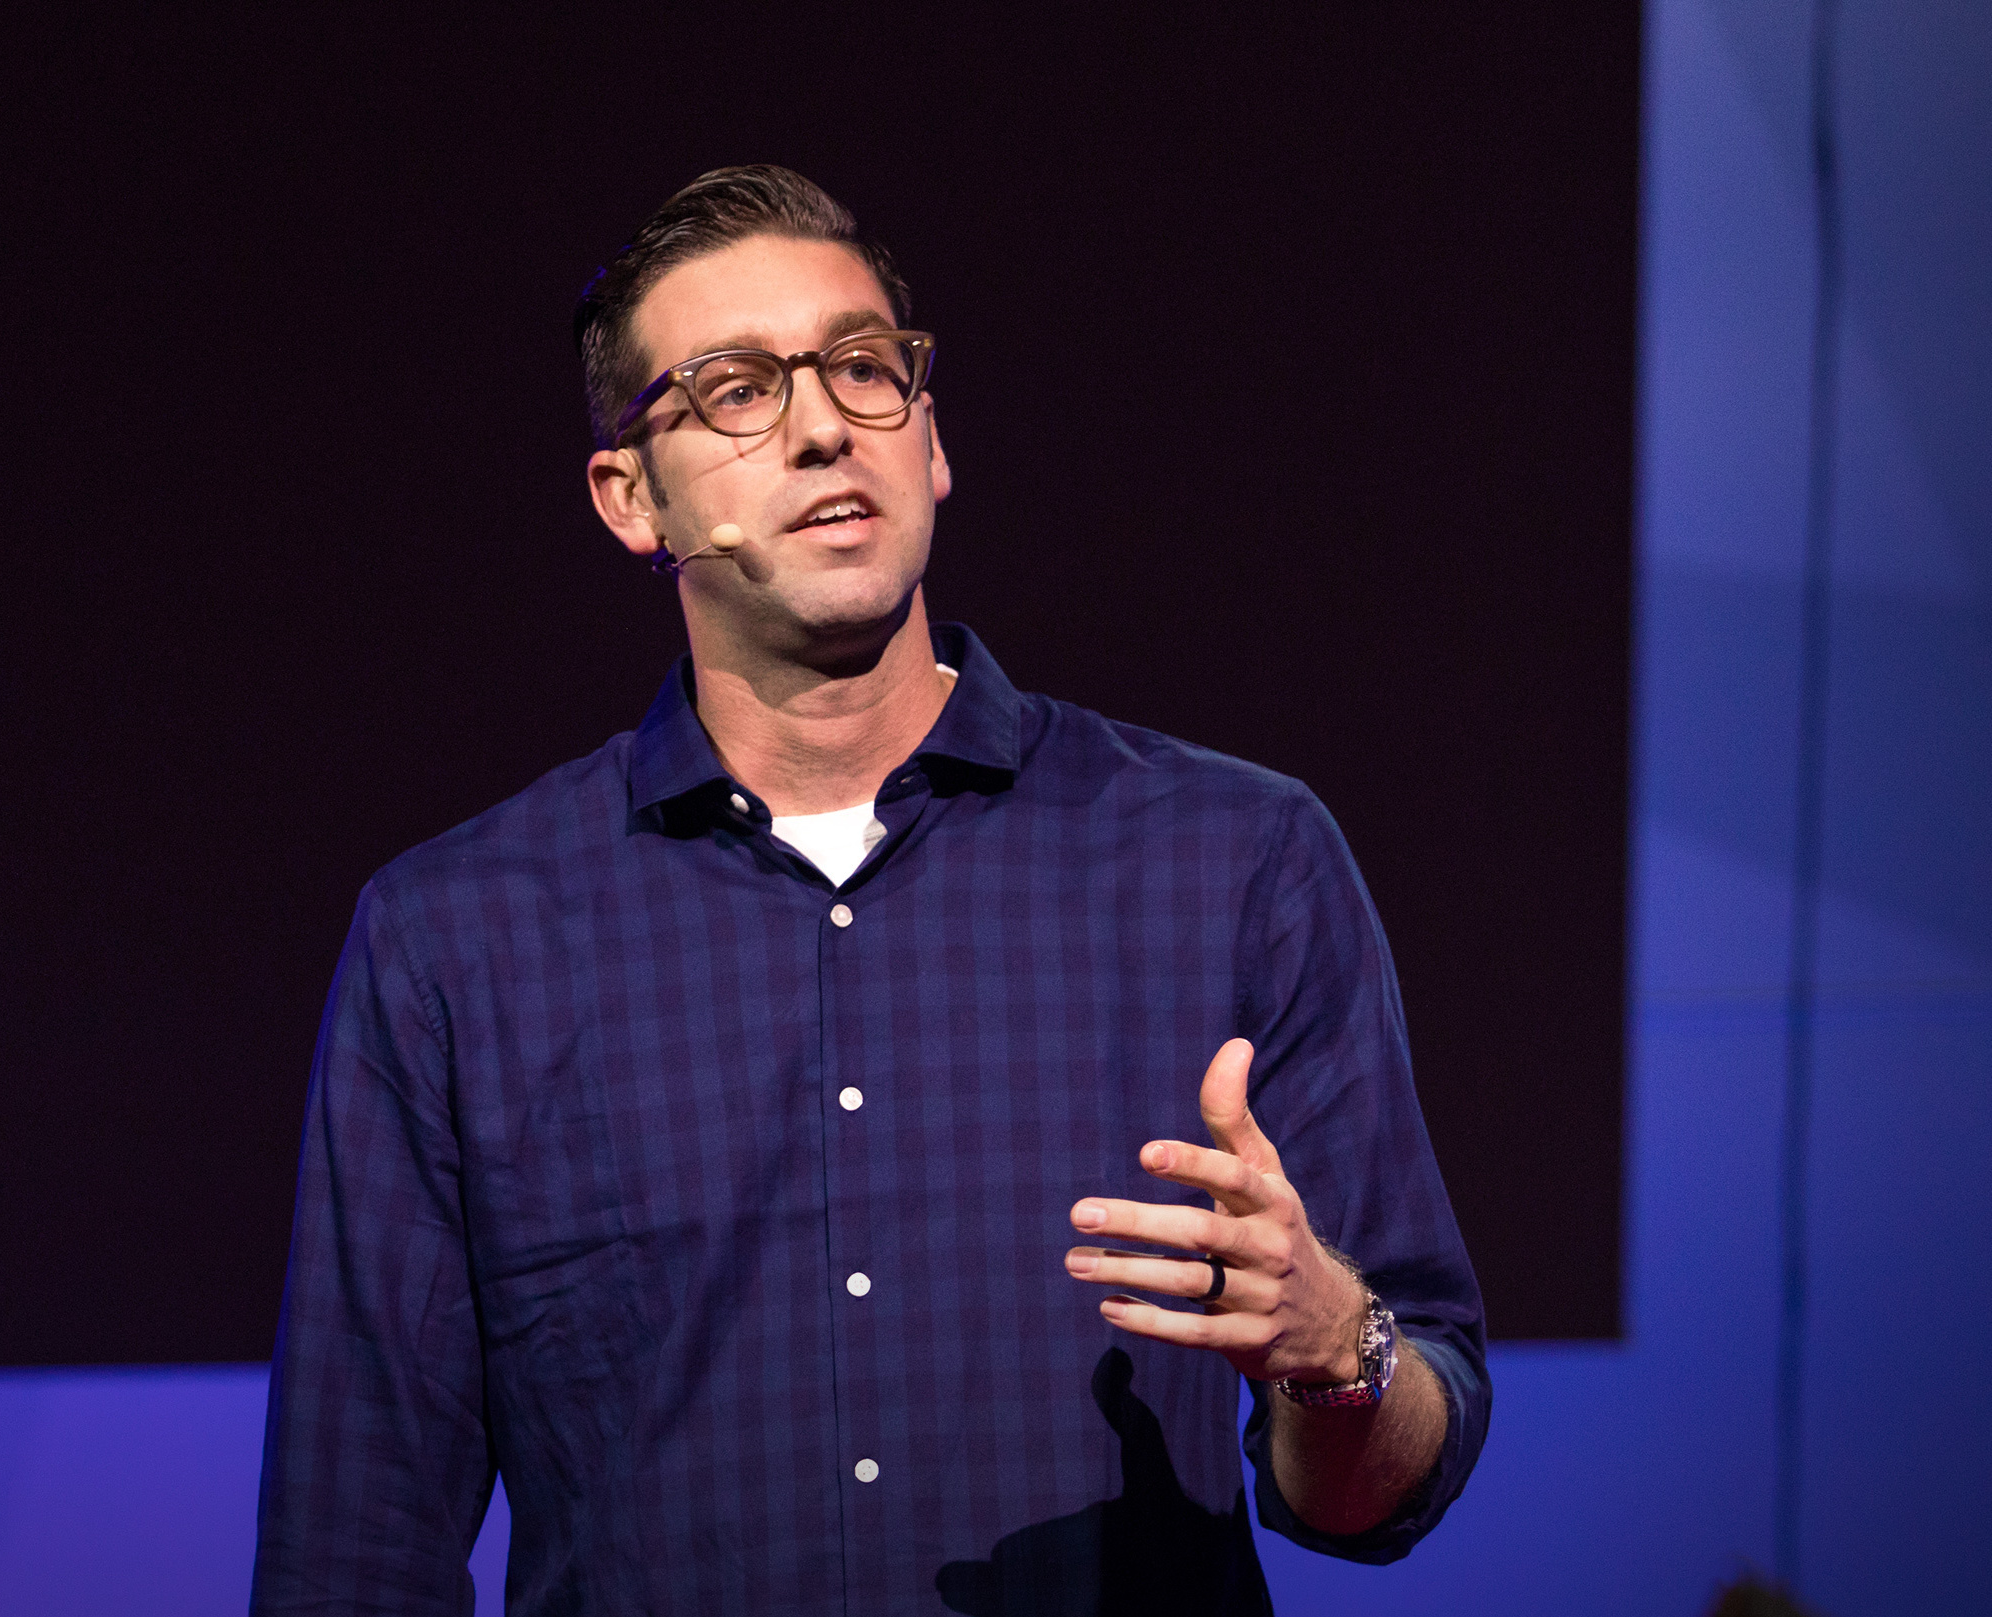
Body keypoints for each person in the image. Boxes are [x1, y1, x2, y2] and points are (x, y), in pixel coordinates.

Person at [252, 165, 1488, 1616]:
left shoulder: (1233, 860)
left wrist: (1335, 1348)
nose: (825, 423)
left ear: (931, 437)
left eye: (860, 367)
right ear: (628, 497)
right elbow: (354, 1545)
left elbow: (1383, 1488)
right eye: (733, 391)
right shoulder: (457, 940)